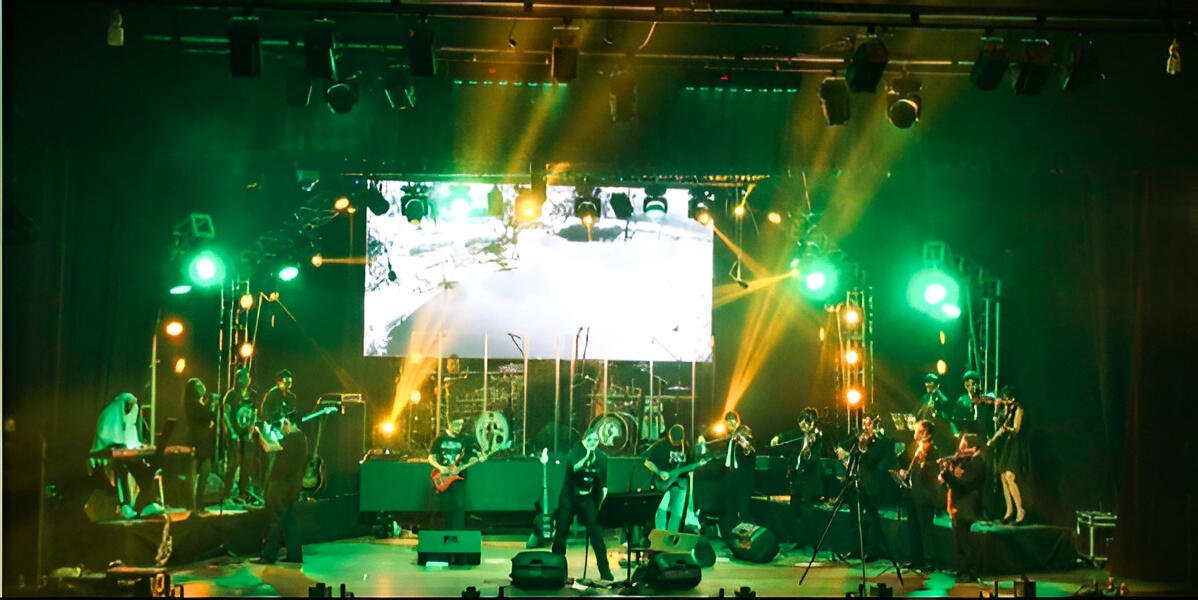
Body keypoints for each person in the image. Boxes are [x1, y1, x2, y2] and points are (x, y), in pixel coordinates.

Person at [88, 392, 164, 520]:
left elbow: (130, 438)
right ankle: (125, 505)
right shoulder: (109, 414)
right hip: (108, 458)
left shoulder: (129, 414)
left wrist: (138, 447)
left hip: (125, 454)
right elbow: (104, 439)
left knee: (142, 467)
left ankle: (146, 503)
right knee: (121, 466)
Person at [552, 427, 615, 581]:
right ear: (583, 440)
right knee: (561, 533)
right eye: (590, 440)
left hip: (588, 498)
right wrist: (587, 455)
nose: (593, 443)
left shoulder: (601, 457)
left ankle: (605, 571)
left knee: (597, 534)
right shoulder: (575, 451)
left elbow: (603, 484)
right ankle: (555, 570)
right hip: (570, 497)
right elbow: (575, 468)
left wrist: (599, 504)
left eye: (596, 440)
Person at [835, 415, 895, 561]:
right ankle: (856, 548)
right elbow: (842, 446)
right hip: (856, 482)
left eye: (868, 424)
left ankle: (874, 549)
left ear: (875, 426)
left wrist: (863, 449)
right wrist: (842, 452)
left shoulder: (882, 442)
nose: (865, 427)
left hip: (871, 484)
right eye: (863, 424)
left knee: (872, 517)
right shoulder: (858, 438)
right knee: (855, 516)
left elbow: (873, 462)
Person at [770, 408, 824, 549]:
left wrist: (810, 451)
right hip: (797, 477)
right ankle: (799, 539)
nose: (801, 428)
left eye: (804, 425)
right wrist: (778, 438)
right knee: (794, 509)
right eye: (800, 425)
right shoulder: (799, 433)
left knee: (807, 510)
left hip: (809, 478)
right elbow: (788, 435)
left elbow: (816, 457)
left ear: (811, 422)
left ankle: (812, 541)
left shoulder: (817, 435)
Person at [259, 417, 309, 564]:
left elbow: (268, 447)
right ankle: (294, 555)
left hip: (281, 486)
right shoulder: (303, 439)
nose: (281, 431)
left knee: (277, 519)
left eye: (282, 426)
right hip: (293, 486)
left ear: (288, 423)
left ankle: (269, 555)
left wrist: (258, 434)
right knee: (290, 522)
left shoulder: (292, 438)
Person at [939, 433, 987, 581]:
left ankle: (971, 571)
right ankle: (962, 570)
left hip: (967, 505)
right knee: (958, 541)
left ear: (974, 447)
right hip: (960, 504)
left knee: (964, 541)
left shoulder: (977, 462)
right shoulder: (970, 461)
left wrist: (947, 474)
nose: (961, 450)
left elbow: (963, 483)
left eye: (965, 446)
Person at [898, 419, 941, 572]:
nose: (914, 432)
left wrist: (924, 464)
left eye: (917, 430)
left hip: (924, 494)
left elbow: (935, 470)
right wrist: (903, 470)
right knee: (913, 527)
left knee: (925, 528)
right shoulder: (913, 446)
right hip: (912, 492)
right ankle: (915, 558)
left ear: (925, 432)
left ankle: (929, 560)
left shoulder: (933, 449)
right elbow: (902, 460)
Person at [427, 418, 484, 530]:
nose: (459, 427)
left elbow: (471, 456)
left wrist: (479, 458)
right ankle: (443, 535)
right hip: (444, 476)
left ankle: (457, 535)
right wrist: (440, 468)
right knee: (444, 506)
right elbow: (431, 457)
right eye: (457, 424)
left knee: (459, 505)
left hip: (459, 477)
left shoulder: (465, 440)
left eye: (461, 424)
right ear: (449, 423)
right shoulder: (440, 440)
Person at [709, 411, 755, 536]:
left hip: (741, 476)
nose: (730, 423)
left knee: (743, 508)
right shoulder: (731, 437)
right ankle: (732, 536)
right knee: (730, 507)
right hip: (730, 475)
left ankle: (747, 537)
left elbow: (750, 450)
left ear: (737, 420)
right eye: (728, 422)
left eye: (732, 420)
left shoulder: (743, 431)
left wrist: (742, 440)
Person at [642, 424, 694, 533]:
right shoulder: (660, 445)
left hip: (680, 482)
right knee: (661, 510)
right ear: (669, 436)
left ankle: (672, 537)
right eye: (673, 441)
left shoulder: (686, 446)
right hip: (663, 482)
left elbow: (692, 463)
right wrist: (659, 472)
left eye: (678, 441)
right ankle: (661, 536)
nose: (676, 444)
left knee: (677, 512)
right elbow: (647, 462)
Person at [220, 367, 260, 507]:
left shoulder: (253, 394)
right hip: (233, 433)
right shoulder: (231, 395)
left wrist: (251, 429)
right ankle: (226, 495)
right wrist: (231, 432)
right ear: (238, 380)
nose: (246, 380)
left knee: (247, 462)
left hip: (246, 434)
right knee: (234, 462)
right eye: (243, 378)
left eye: (247, 377)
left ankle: (242, 493)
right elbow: (225, 414)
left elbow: (254, 413)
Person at [989, 386, 1027, 525]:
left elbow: (1015, 430)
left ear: (1013, 398)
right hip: (1008, 444)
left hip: (1016, 444)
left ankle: (1021, 511)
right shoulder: (1008, 411)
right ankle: (1009, 511)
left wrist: (1003, 427)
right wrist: (993, 439)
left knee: (1010, 477)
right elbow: (1001, 428)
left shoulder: (1019, 410)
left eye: (1007, 399)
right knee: (1003, 476)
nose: (1005, 401)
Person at [258, 369, 297, 495]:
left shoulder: (291, 397)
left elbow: (292, 413)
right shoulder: (272, 394)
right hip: (271, 428)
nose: (287, 386)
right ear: (279, 382)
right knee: (271, 458)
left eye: (289, 383)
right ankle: (265, 489)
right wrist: (271, 423)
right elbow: (263, 411)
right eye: (285, 382)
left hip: (283, 430)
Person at [183, 377, 217, 514]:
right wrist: (210, 403)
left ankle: (199, 502)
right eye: (198, 385)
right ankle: (192, 504)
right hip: (195, 440)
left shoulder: (200, 404)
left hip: (204, 440)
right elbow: (206, 415)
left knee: (205, 470)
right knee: (192, 473)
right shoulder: (191, 405)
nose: (201, 387)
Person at [958, 371, 995, 437]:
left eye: (977, 383)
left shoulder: (984, 399)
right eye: (973, 383)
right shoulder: (962, 401)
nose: (976, 386)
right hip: (969, 436)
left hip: (983, 436)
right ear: (966, 385)